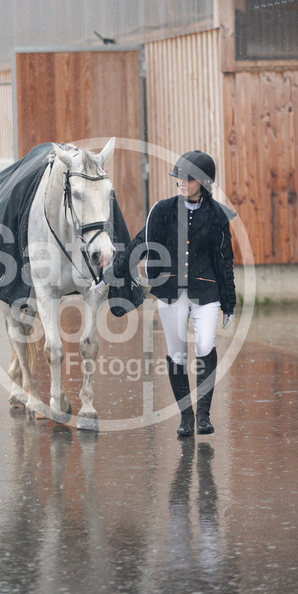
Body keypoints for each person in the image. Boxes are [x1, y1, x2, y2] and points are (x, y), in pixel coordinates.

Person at [105, 150, 236, 437]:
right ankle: (186, 417)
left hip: (206, 291)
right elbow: (140, 243)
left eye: (189, 179)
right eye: (179, 178)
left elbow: (225, 260)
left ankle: (204, 416)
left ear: (203, 182)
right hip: (170, 291)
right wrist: (113, 272)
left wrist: (229, 303)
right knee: (177, 353)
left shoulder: (217, 215)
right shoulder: (162, 210)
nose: (182, 183)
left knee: (204, 346)